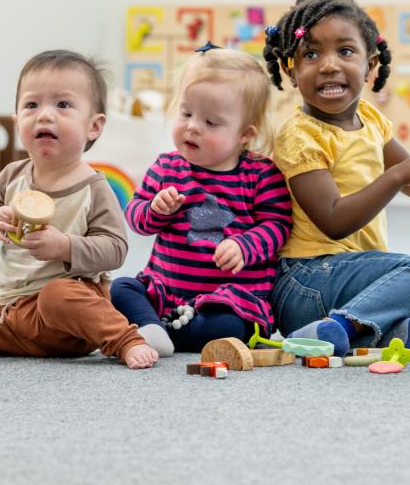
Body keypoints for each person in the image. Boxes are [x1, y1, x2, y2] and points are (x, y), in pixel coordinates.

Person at [262, 0, 410, 356]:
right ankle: (333, 327)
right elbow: (333, 221)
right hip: (306, 282)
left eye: (346, 51)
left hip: (354, 277)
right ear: (290, 70)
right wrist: (397, 175)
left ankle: (401, 330)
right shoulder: (299, 136)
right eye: (311, 54)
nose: (329, 65)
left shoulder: (371, 119)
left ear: (371, 66)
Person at [0, 50, 158, 370]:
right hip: (11, 311)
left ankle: (125, 340)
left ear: (93, 126)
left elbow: (116, 248)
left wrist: (64, 246)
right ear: (17, 122)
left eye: (63, 105)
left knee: (58, 294)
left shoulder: (94, 187)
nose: (44, 115)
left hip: (71, 318)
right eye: (31, 105)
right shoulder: (11, 176)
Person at [110, 46, 292, 356]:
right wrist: (155, 209)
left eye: (211, 122)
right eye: (186, 113)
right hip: (166, 291)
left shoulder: (259, 173)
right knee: (119, 288)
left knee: (230, 330)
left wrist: (245, 246)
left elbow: (278, 225)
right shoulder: (167, 167)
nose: (193, 126)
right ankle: (154, 326)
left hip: (230, 299)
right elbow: (135, 216)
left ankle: (155, 331)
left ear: (244, 134)